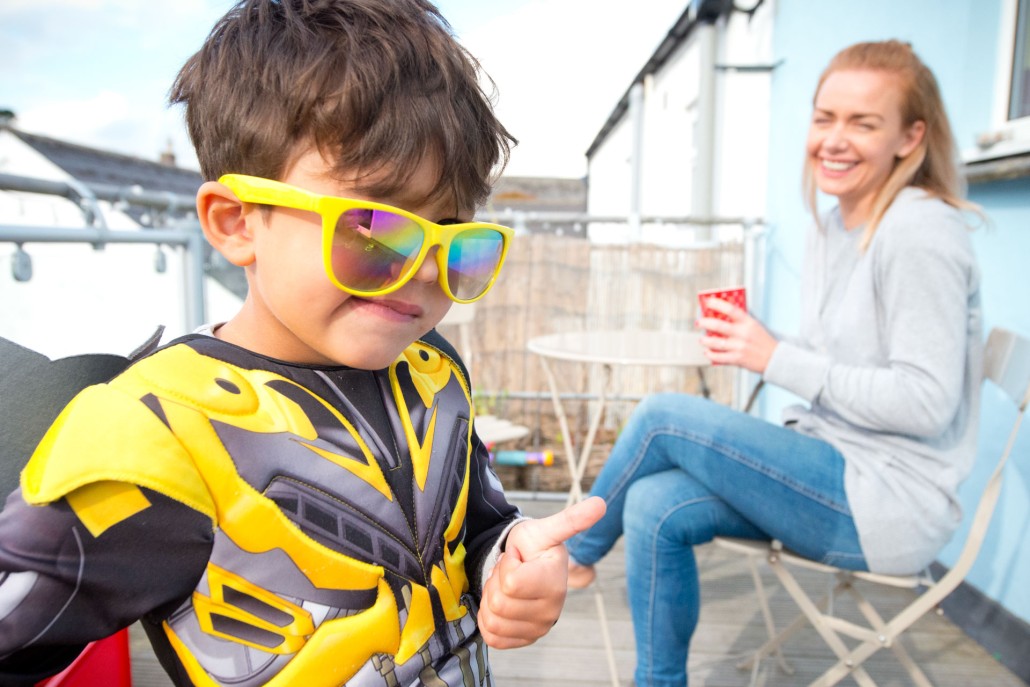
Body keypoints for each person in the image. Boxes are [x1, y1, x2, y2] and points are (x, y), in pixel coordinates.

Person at [0, 1, 605, 685]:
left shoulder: (435, 374)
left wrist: (513, 563)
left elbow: (482, 522)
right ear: (235, 222)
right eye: (373, 229)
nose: (424, 270)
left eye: (453, 238)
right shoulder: (157, 438)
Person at [565, 39, 982, 687]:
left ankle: (571, 556)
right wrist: (767, 341)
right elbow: (844, 365)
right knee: (651, 502)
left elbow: (926, 403)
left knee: (662, 416)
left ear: (909, 137)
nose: (835, 139)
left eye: (863, 122)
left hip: (885, 502)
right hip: (832, 463)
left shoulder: (919, 232)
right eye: (825, 117)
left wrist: (773, 355)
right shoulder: (842, 224)